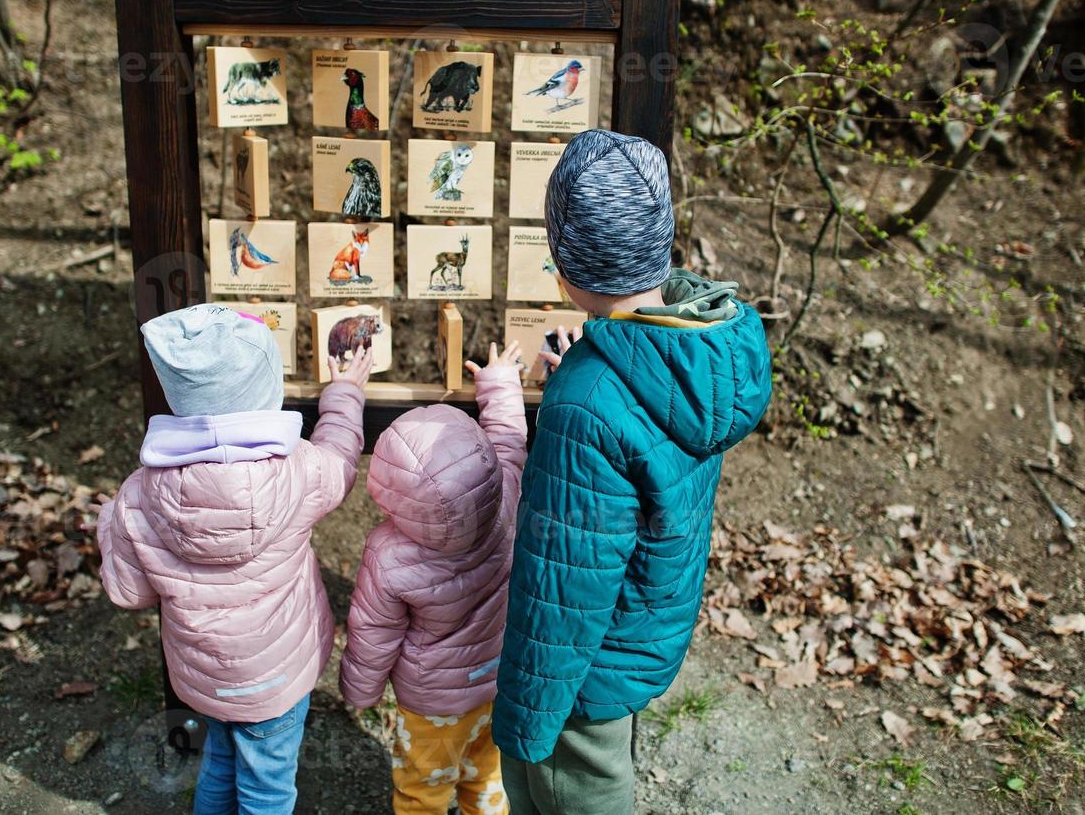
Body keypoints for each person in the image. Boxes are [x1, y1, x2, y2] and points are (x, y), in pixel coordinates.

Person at [493, 129, 773, 814]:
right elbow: (645, 447)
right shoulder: (701, 345)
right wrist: (591, 382)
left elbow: (564, 589)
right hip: (647, 623)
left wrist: (527, 715)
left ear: (564, 263)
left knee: (574, 789)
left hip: (581, 671)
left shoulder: (587, 402)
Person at [96, 304, 372, 814]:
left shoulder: (137, 494)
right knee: (267, 786)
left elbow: (128, 592)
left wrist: (108, 525)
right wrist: (345, 394)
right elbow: (340, 460)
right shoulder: (299, 470)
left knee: (220, 762)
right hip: (277, 676)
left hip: (203, 677)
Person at [340, 342, 528, 815]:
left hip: (431, 702)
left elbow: (373, 632)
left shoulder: (389, 555)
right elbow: (507, 438)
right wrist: (501, 380)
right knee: (487, 776)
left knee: (422, 788)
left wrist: (360, 691)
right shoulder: (507, 493)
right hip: (500, 678)